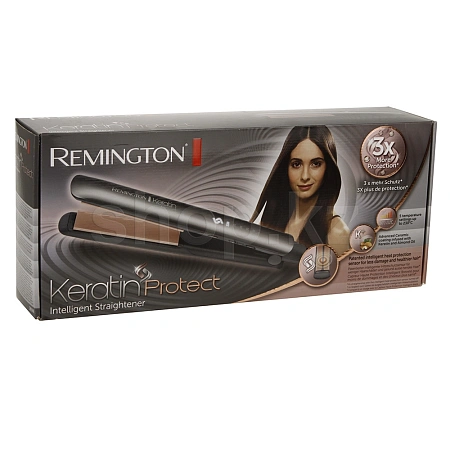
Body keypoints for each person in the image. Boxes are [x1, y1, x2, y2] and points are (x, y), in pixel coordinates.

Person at [250, 126, 350, 256]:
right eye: (296, 164)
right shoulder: (272, 217)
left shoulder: (337, 233)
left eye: (316, 164)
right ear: (286, 168)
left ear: (328, 168)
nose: (305, 176)